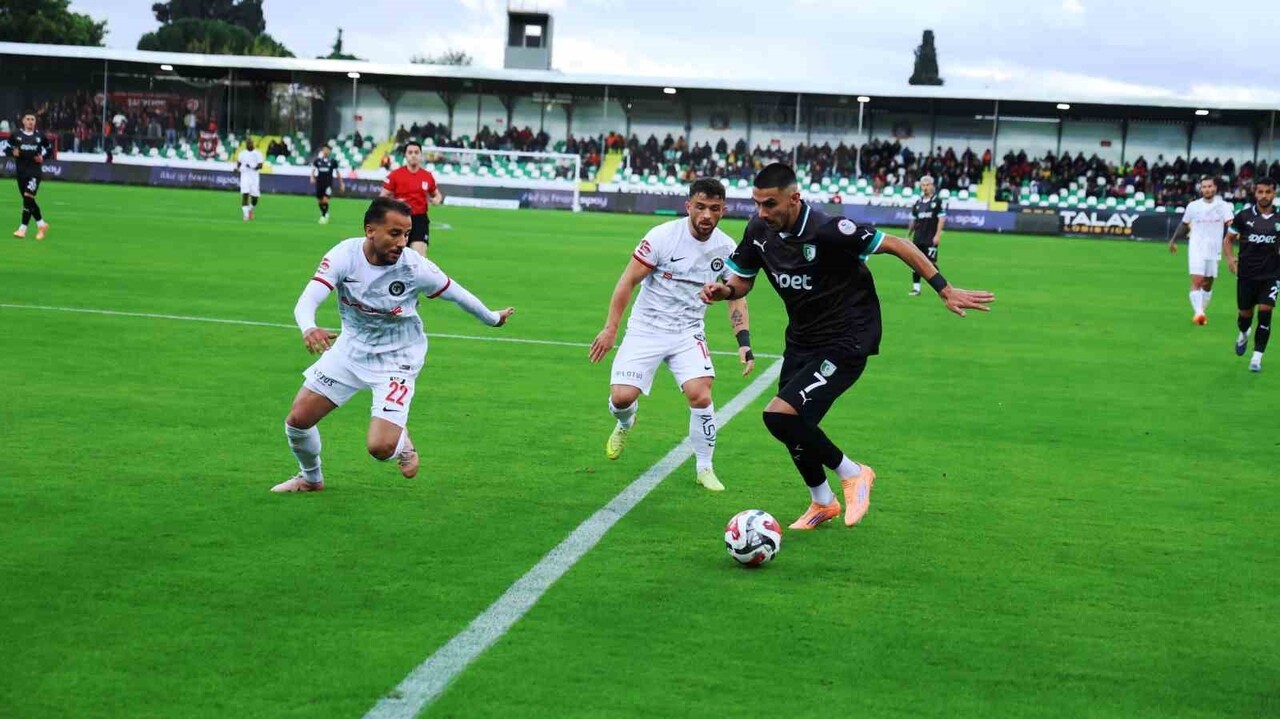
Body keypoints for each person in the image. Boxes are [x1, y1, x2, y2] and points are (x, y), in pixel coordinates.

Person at [700, 163, 993, 529]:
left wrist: (945, 289)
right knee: (793, 425)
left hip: (848, 337)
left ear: (794, 198)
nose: (762, 212)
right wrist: (724, 290)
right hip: (803, 339)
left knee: (778, 415)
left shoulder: (829, 229)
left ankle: (854, 473)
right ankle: (823, 502)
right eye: (758, 204)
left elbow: (898, 244)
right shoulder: (759, 230)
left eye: (770, 204)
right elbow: (742, 282)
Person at [272, 198, 515, 493]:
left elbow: (457, 294)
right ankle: (311, 479)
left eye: (407, 234)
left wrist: (493, 318)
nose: (402, 242)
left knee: (380, 447)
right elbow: (307, 300)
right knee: (297, 421)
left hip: (397, 359)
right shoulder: (344, 256)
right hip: (350, 351)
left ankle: (402, 444)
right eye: (395, 233)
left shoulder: (414, 267)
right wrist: (309, 327)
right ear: (370, 230)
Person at [588, 179, 754, 492]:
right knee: (622, 398)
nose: (707, 214)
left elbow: (736, 295)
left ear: (724, 211)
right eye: (701, 207)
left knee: (700, 394)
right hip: (646, 328)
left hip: (688, 331)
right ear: (688, 206)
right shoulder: (662, 236)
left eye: (714, 209)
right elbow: (627, 282)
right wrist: (611, 328)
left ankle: (704, 467)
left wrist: (743, 343)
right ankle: (626, 421)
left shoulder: (728, 248)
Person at [1224, 177, 1280, 372]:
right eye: (1260, 192)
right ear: (1255, 193)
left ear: (1275, 193)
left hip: (1271, 275)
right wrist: (1231, 259)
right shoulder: (1243, 216)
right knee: (1245, 316)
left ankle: (1257, 357)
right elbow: (1228, 239)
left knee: (1265, 314)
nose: (1264, 196)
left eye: (1268, 192)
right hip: (1246, 275)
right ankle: (1243, 333)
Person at [1169, 176, 1234, 324]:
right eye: (1204, 187)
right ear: (1201, 189)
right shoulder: (1193, 206)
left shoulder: (1223, 206)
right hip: (1196, 247)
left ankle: (1201, 311)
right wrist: (1173, 240)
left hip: (1214, 248)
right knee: (1197, 280)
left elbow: (1231, 224)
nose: (1207, 189)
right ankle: (1199, 314)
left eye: (1210, 186)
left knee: (1208, 283)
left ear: (1215, 188)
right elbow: (1184, 224)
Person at [381, 141, 442, 255]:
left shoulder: (427, 176)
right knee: (396, 258)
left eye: (416, 152)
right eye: (410, 152)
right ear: (405, 155)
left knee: (418, 259)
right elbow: (382, 198)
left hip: (420, 220)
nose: (413, 155)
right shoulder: (395, 175)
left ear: (420, 155)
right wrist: (394, 204)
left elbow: (437, 194)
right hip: (399, 219)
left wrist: (436, 200)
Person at [5, 113, 51, 240]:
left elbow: (50, 149)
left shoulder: (40, 136)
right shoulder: (16, 135)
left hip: (34, 173)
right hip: (21, 173)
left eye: (33, 119)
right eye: (28, 119)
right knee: (29, 201)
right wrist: (12, 152)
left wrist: (43, 157)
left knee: (28, 196)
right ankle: (41, 224)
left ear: (35, 122)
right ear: (23, 121)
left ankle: (22, 229)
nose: (30, 121)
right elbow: (6, 149)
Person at [906, 175, 946, 296]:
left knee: (931, 264)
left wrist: (938, 235)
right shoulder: (918, 203)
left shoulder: (937, 202)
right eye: (923, 185)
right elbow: (913, 220)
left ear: (932, 186)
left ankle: (942, 288)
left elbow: (942, 219)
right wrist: (908, 235)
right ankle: (916, 289)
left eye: (928, 185)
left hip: (930, 238)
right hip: (918, 238)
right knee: (915, 262)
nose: (925, 187)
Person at [310, 145, 344, 224]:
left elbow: (337, 172)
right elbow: (313, 170)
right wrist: (312, 177)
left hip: (328, 184)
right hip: (319, 183)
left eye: (327, 150)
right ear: (322, 151)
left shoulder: (333, 161)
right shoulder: (317, 161)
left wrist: (341, 183)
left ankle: (323, 216)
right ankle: (325, 212)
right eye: (324, 150)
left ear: (329, 151)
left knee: (325, 200)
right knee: (319, 200)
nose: (325, 151)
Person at [235, 138, 264, 221]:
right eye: (248, 143)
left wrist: (252, 166)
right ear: (246, 144)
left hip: (254, 177)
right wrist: (236, 168)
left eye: (251, 143)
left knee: (255, 198)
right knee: (245, 195)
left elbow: (260, 165)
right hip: (245, 176)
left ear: (253, 144)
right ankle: (246, 216)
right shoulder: (242, 154)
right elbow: (239, 163)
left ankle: (250, 208)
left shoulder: (257, 154)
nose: (249, 144)